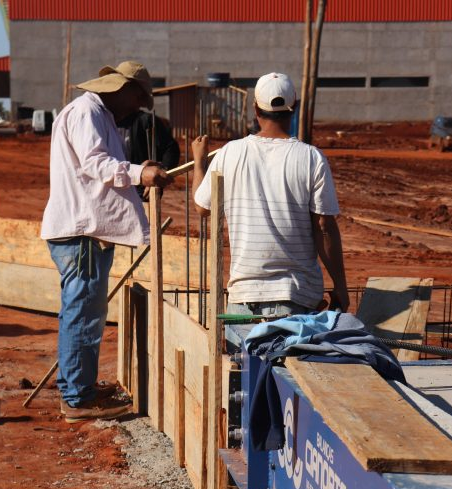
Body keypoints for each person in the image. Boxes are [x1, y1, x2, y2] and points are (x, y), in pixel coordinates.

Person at [41, 61, 173, 422]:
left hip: (85, 230)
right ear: (122, 88)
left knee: (84, 312)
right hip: (81, 232)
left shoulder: (98, 115)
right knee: (82, 313)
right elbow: (96, 164)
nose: (138, 106)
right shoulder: (87, 113)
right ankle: (77, 398)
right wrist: (139, 172)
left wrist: (135, 171)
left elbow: (102, 166)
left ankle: (77, 387)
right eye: (138, 98)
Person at [192, 72, 350, 323]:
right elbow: (324, 226)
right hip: (297, 298)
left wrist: (199, 163)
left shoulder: (229, 153)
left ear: (255, 108)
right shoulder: (311, 158)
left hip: (244, 297)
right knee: (292, 363)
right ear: (294, 107)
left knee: (244, 363)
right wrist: (340, 285)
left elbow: (203, 208)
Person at [119, 110, 180, 199]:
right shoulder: (103, 122)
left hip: (141, 193)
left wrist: (158, 174)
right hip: (115, 193)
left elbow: (170, 149)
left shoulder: (145, 121)